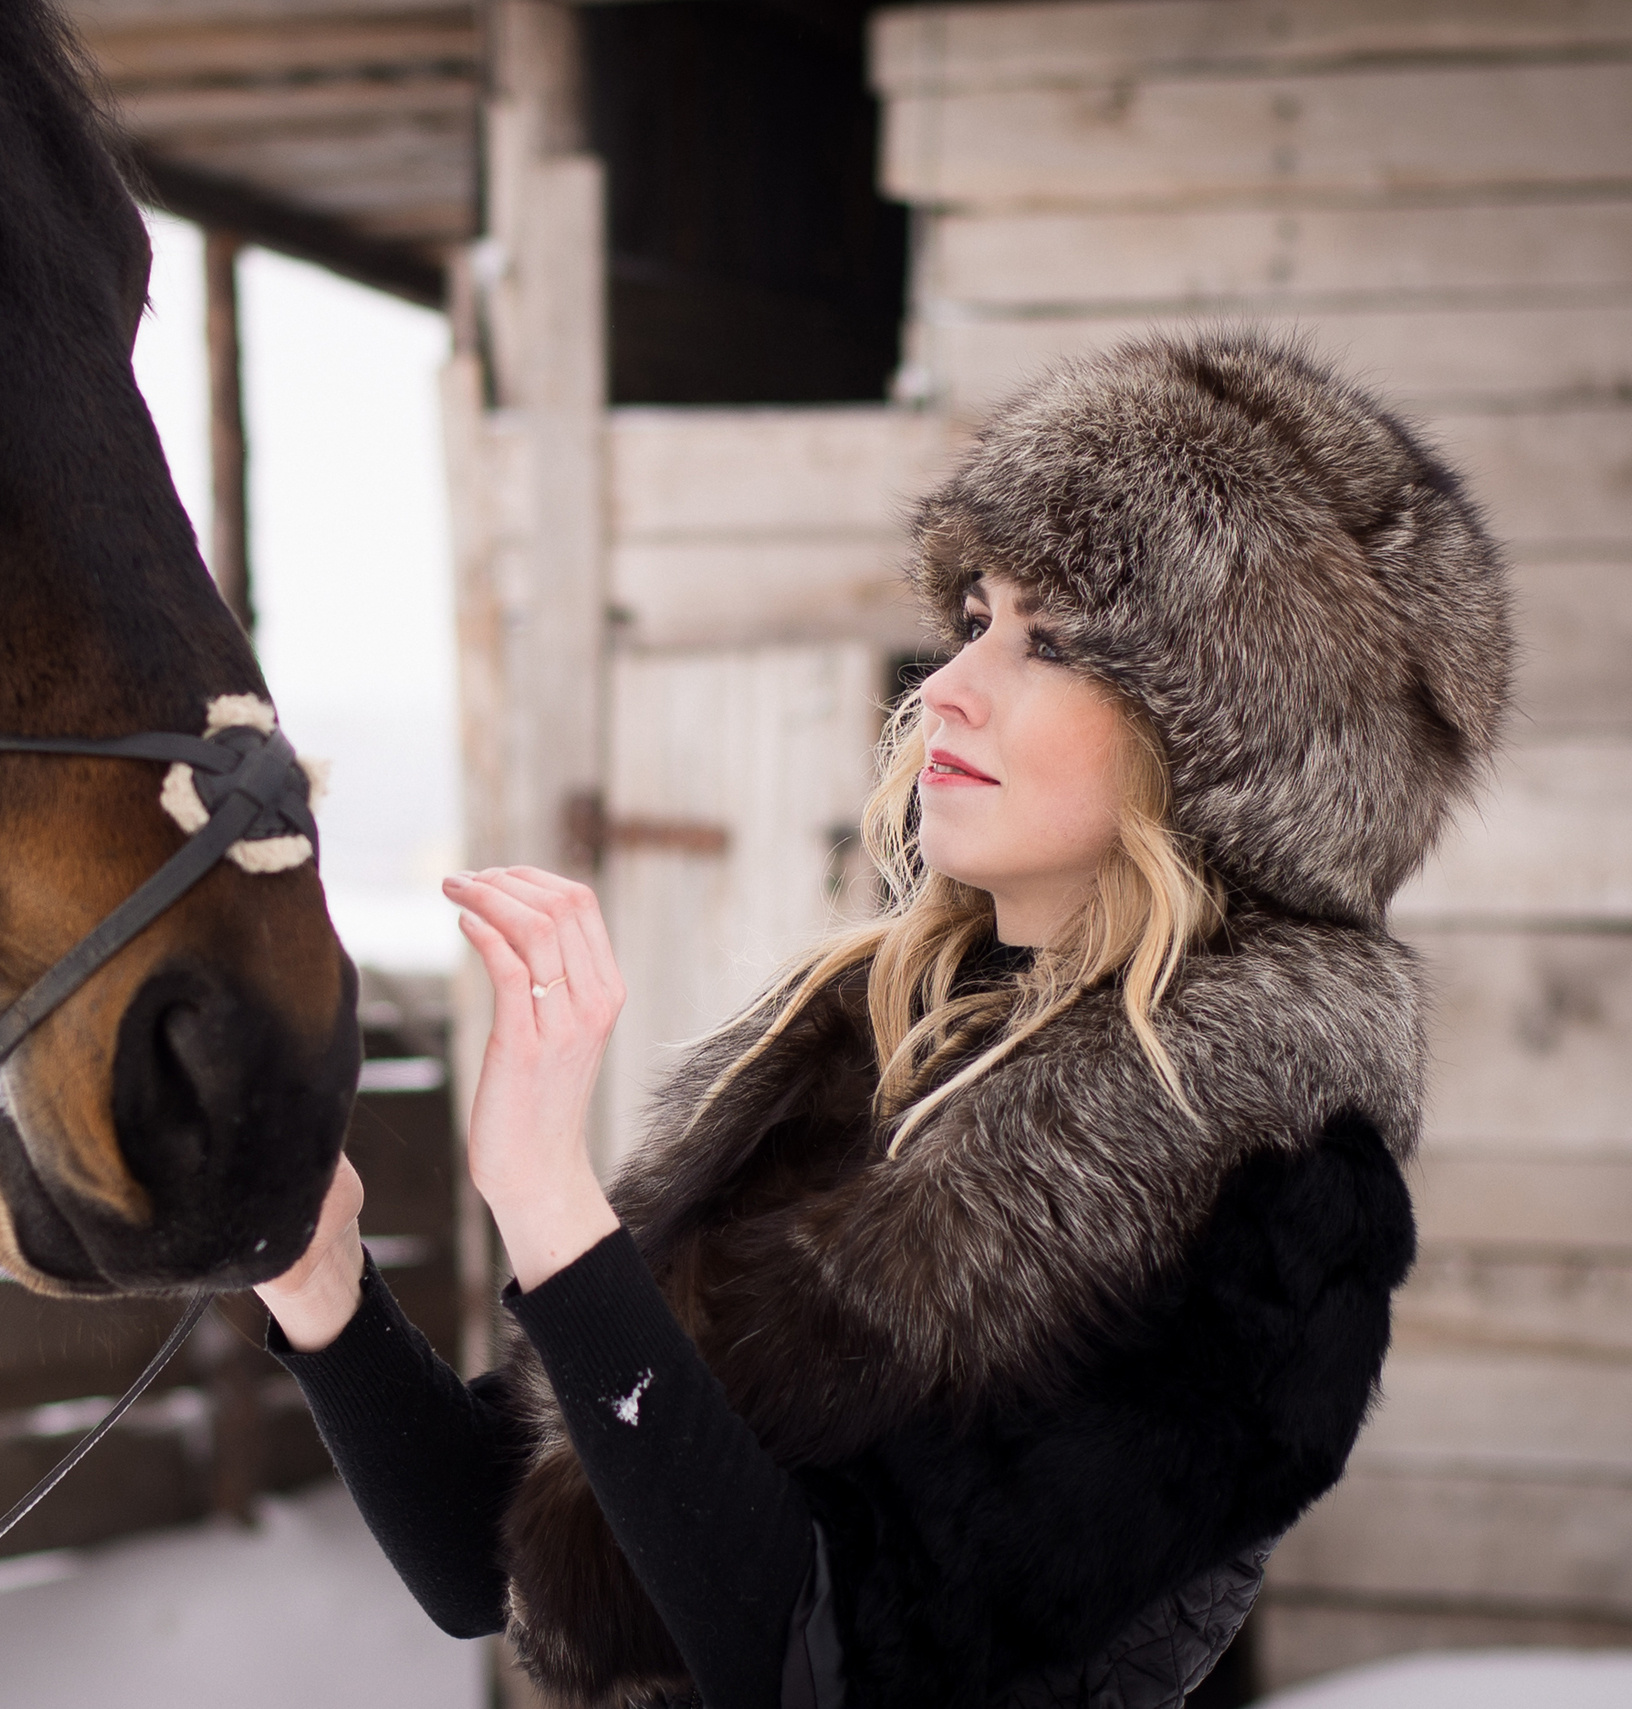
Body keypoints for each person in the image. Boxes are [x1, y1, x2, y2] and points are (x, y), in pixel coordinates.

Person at [253, 333, 1513, 1709]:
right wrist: (324, 1290)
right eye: (977, 615)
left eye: (1057, 640)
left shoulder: (1280, 1200)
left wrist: (552, 1207)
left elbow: (822, 1668)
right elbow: (500, 1555)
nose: (951, 685)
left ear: (1230, 749)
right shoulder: (850, 1051)